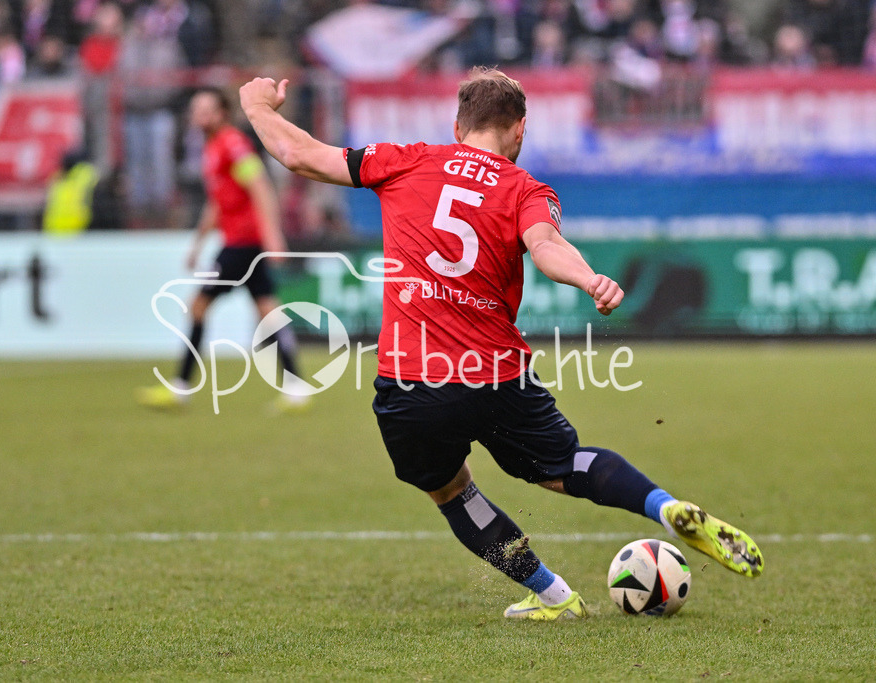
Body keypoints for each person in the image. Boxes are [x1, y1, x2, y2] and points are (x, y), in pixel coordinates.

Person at [237, 68, 764, 621]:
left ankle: (554, 596)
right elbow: (546, 246)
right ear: (519, 129)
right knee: (565, 465)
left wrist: (258, 107)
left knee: (451, 491)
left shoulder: (404, 160)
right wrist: (590, 280)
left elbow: (299, 154)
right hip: (496, 373)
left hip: (413, 378)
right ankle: (665, 506)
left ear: (457, 126)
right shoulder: (526, 189)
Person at [137, 87, 305, 410]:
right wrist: (198, 244)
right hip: (242, 242)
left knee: (199, 306)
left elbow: (259, 186)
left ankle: (181, 386)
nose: (199, 115)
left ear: (222, 113)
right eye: (195, 109)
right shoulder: (212, 148)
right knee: (268, 312)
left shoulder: (232, 144)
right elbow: (218, 202)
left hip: (242, 243)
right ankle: (296, 387)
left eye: (206, 109)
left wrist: (273, 235)